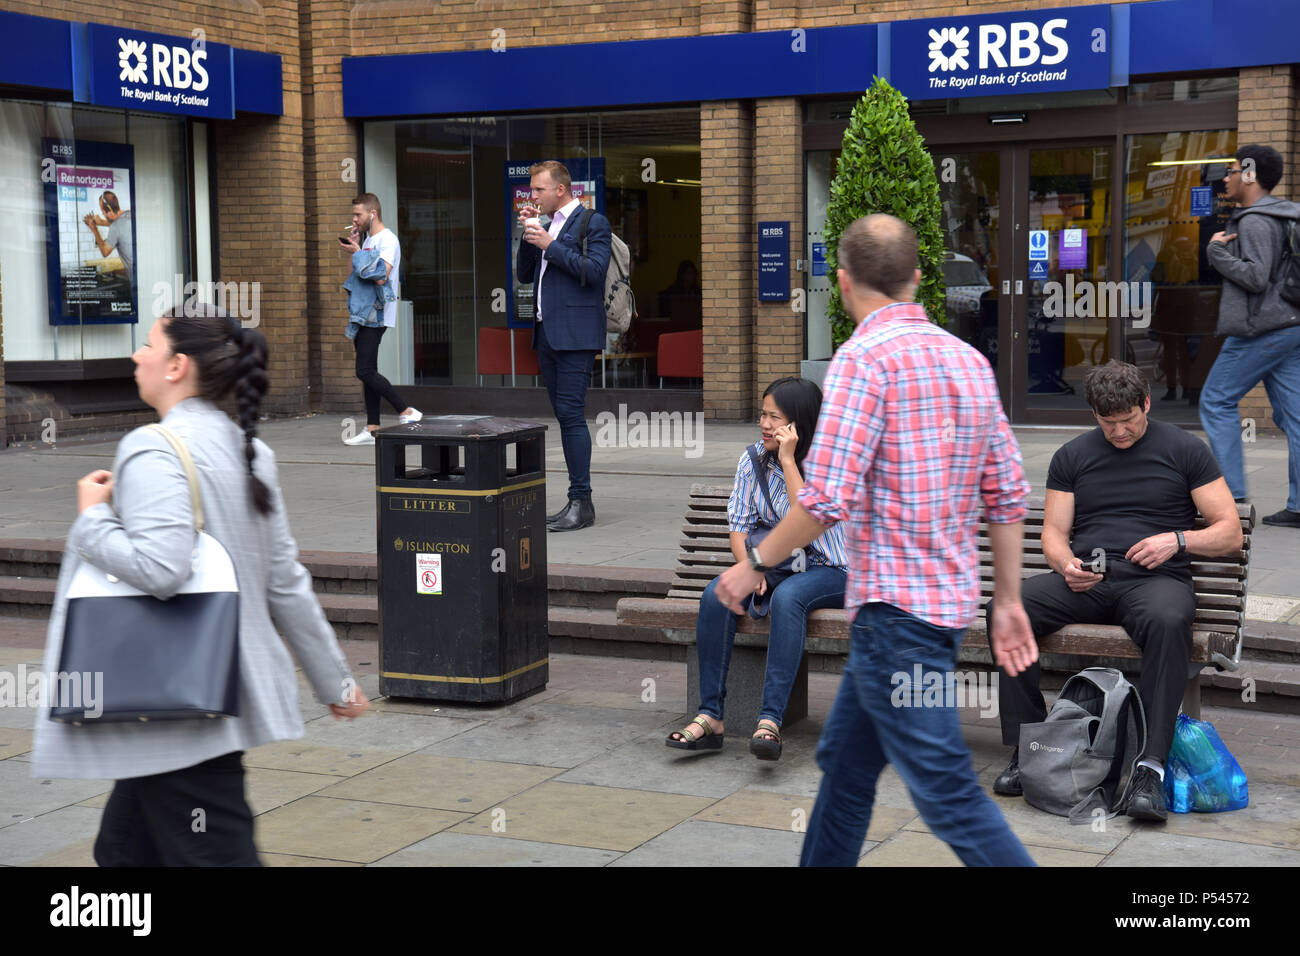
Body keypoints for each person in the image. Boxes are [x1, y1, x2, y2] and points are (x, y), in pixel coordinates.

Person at [715, 213, 1038, 867]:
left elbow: (825, 499)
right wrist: (1006, 599)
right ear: (919, 278)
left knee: (948, 794)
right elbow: (1006, 493)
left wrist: (755, 562)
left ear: (841, 283)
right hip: (935, 609)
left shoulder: (863, 360)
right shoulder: (969, 361)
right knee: (844, 767)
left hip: (898, 617)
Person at [31, 305, 370, 866]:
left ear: (177, 366)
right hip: (207, 693)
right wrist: (333, 681)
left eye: (147, 345)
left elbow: (162, 569)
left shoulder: (153, 448)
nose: (136, 355)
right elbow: (283, 580)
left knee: (205, 853)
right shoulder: (250, 450)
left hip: (178, 700)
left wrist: (92, 520)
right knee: (122, 852)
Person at [989, 360, 1243, 822]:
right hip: (1090, 578)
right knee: (1011, 608)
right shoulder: (1073, 455)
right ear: (1094, 414)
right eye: (1110, 423)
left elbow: (1229, 534)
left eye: (1129, 420)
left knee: (1169, 621)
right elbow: (1052, 533)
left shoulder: (1186, 450)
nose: (1121, 431)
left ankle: (1150, 768)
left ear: (1146, 403)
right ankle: (1029, 751)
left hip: (1156, 580)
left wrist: (1178, 539)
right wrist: (1064, 563)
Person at [666, 377, 848, 760]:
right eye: (763, 415)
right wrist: (752, 569)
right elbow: (739, 526)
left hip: (834, 567)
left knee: (790, 598)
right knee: (718, 593)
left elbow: (808, 514)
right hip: (775, 565)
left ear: (799, 423)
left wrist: (787, 459)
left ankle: (770, 720)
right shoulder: (752, 460)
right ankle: (710, 715)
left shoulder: (830, 463)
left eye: (775, 417)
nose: (765, 424)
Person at [1199, 144, 1300, 527]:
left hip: (1263, 328)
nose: (1224, 178)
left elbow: (1257, 278)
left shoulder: (1255, 220)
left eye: (1230, 170)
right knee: (1295, 417)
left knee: (1215, 401)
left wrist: (1217, 253)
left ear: (1250, 174)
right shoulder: (1285, 215)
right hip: (1290, 326)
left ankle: (1232, 500)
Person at [516, 161, 610, 532]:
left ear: (560, 190)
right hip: (547, 333)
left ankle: (581, 501)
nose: (533, 196)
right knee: (563, 415)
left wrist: (551, 245)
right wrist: (527, 234)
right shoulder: (547, 223)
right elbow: (525, 275)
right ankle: (576, 499)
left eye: (539, 190)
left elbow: (593, 272)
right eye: (531, 190)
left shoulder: (592, 222)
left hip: (576, 335)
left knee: (571, 415)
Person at [340, 192, 421, 445]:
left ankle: (406, 410)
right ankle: (373, 428)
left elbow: (380, 276)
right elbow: (357, 276)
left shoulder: (388, 240)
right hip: (362, 312)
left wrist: (358, 252)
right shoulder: (367, 241)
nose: (355, 219)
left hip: (376, 313)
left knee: (363, 370)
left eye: (358, 214)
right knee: (368, 371)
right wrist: (355, 251)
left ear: (372, 214)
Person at [82, 190, 134, 283]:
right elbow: (121, 226)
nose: (103, 215)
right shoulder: (131, 215)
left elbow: (105, 252)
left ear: (109, 212)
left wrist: (94, 229)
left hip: (135, 280)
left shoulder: (116, 227)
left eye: (103, 213)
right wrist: (102, 222)